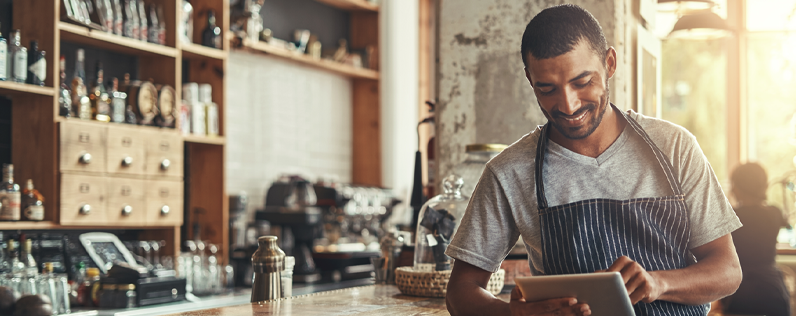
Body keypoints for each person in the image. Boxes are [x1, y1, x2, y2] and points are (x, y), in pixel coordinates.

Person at [444, 4, 743, 316]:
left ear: (609, 63)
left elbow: (727, 271)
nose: (568, 105)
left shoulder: (675, 147)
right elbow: (460, 293)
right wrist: (514, 314)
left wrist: (657, 283)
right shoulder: (509, 172)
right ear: (530, 79)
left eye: (582, 82)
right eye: (547, 89)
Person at [721, 162, 790, 316]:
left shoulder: (730, 216)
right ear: (763, 186)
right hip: (772, 288)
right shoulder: (774, 213)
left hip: (739, 290)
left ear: (736, 188)